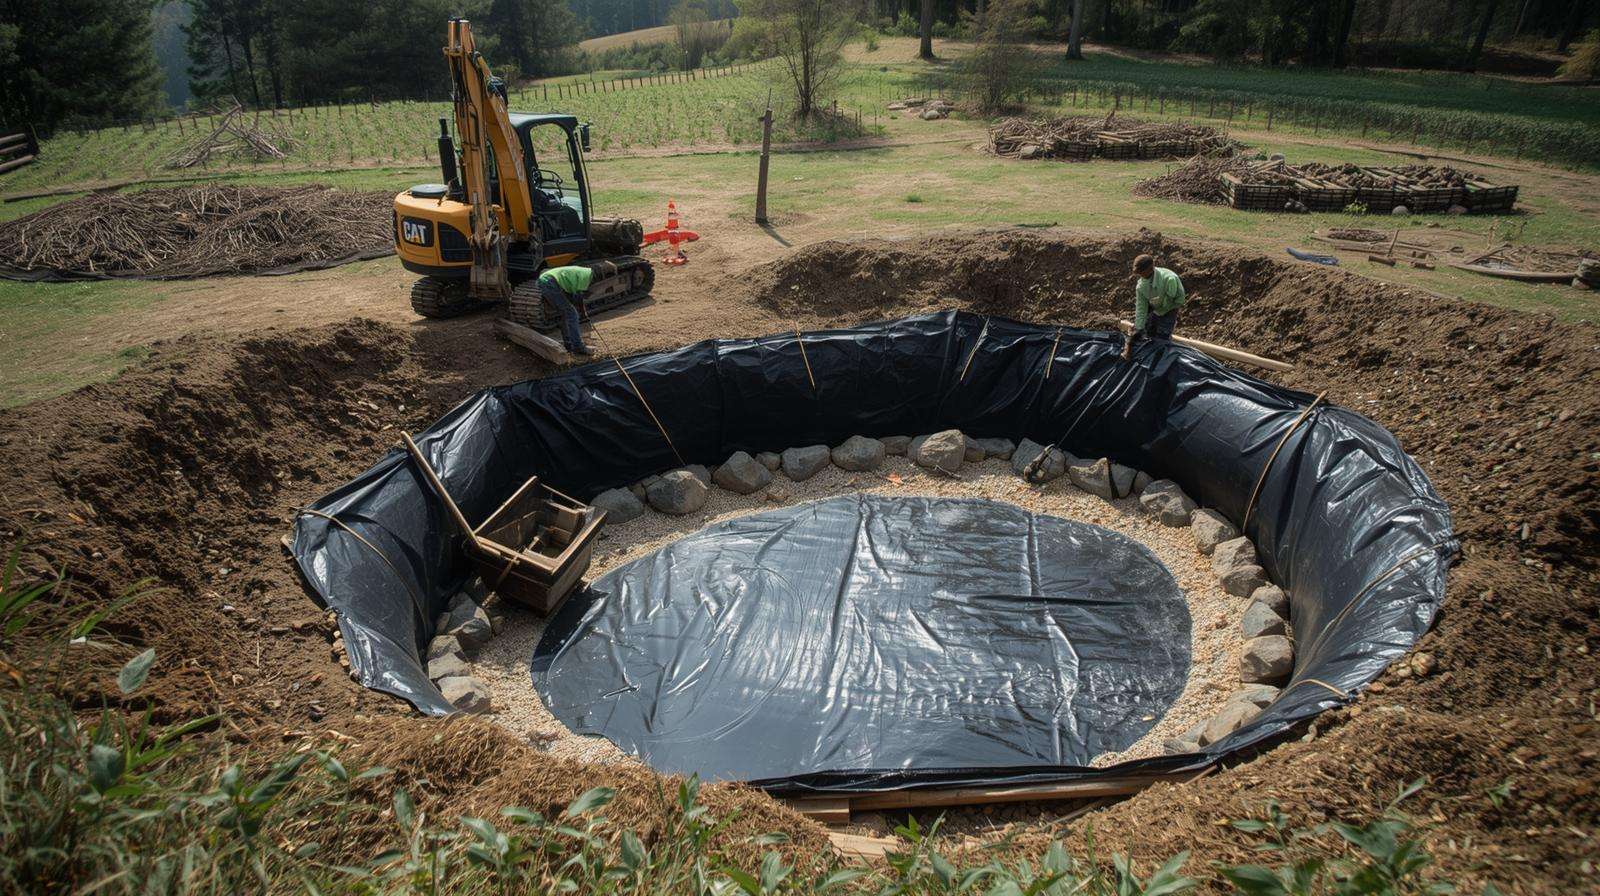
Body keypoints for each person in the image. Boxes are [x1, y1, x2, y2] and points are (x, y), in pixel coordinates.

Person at [1122, 254, 1186, 359]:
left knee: (1163, 334)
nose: (1140, 275)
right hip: (1155, 303)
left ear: (1150, 268)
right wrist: (1139, 327)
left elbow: (1173, 299)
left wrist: (1159, 310)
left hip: (1171, 306)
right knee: (1148, 329)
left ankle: (1163, 356)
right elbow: (1141, 308)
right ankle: (1150, 351)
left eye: (1142, 272)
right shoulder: (1141, 286)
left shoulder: (1169, 279)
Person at [536, 264, 594, 356]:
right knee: (573, 315)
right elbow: (578, 297)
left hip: (547, 280)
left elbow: (573, 296)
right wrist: (584, 313)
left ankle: (568, 344)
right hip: (550, 282)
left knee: (566, 314)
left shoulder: (582, 272)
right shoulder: (586, 276)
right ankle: (578, 347)